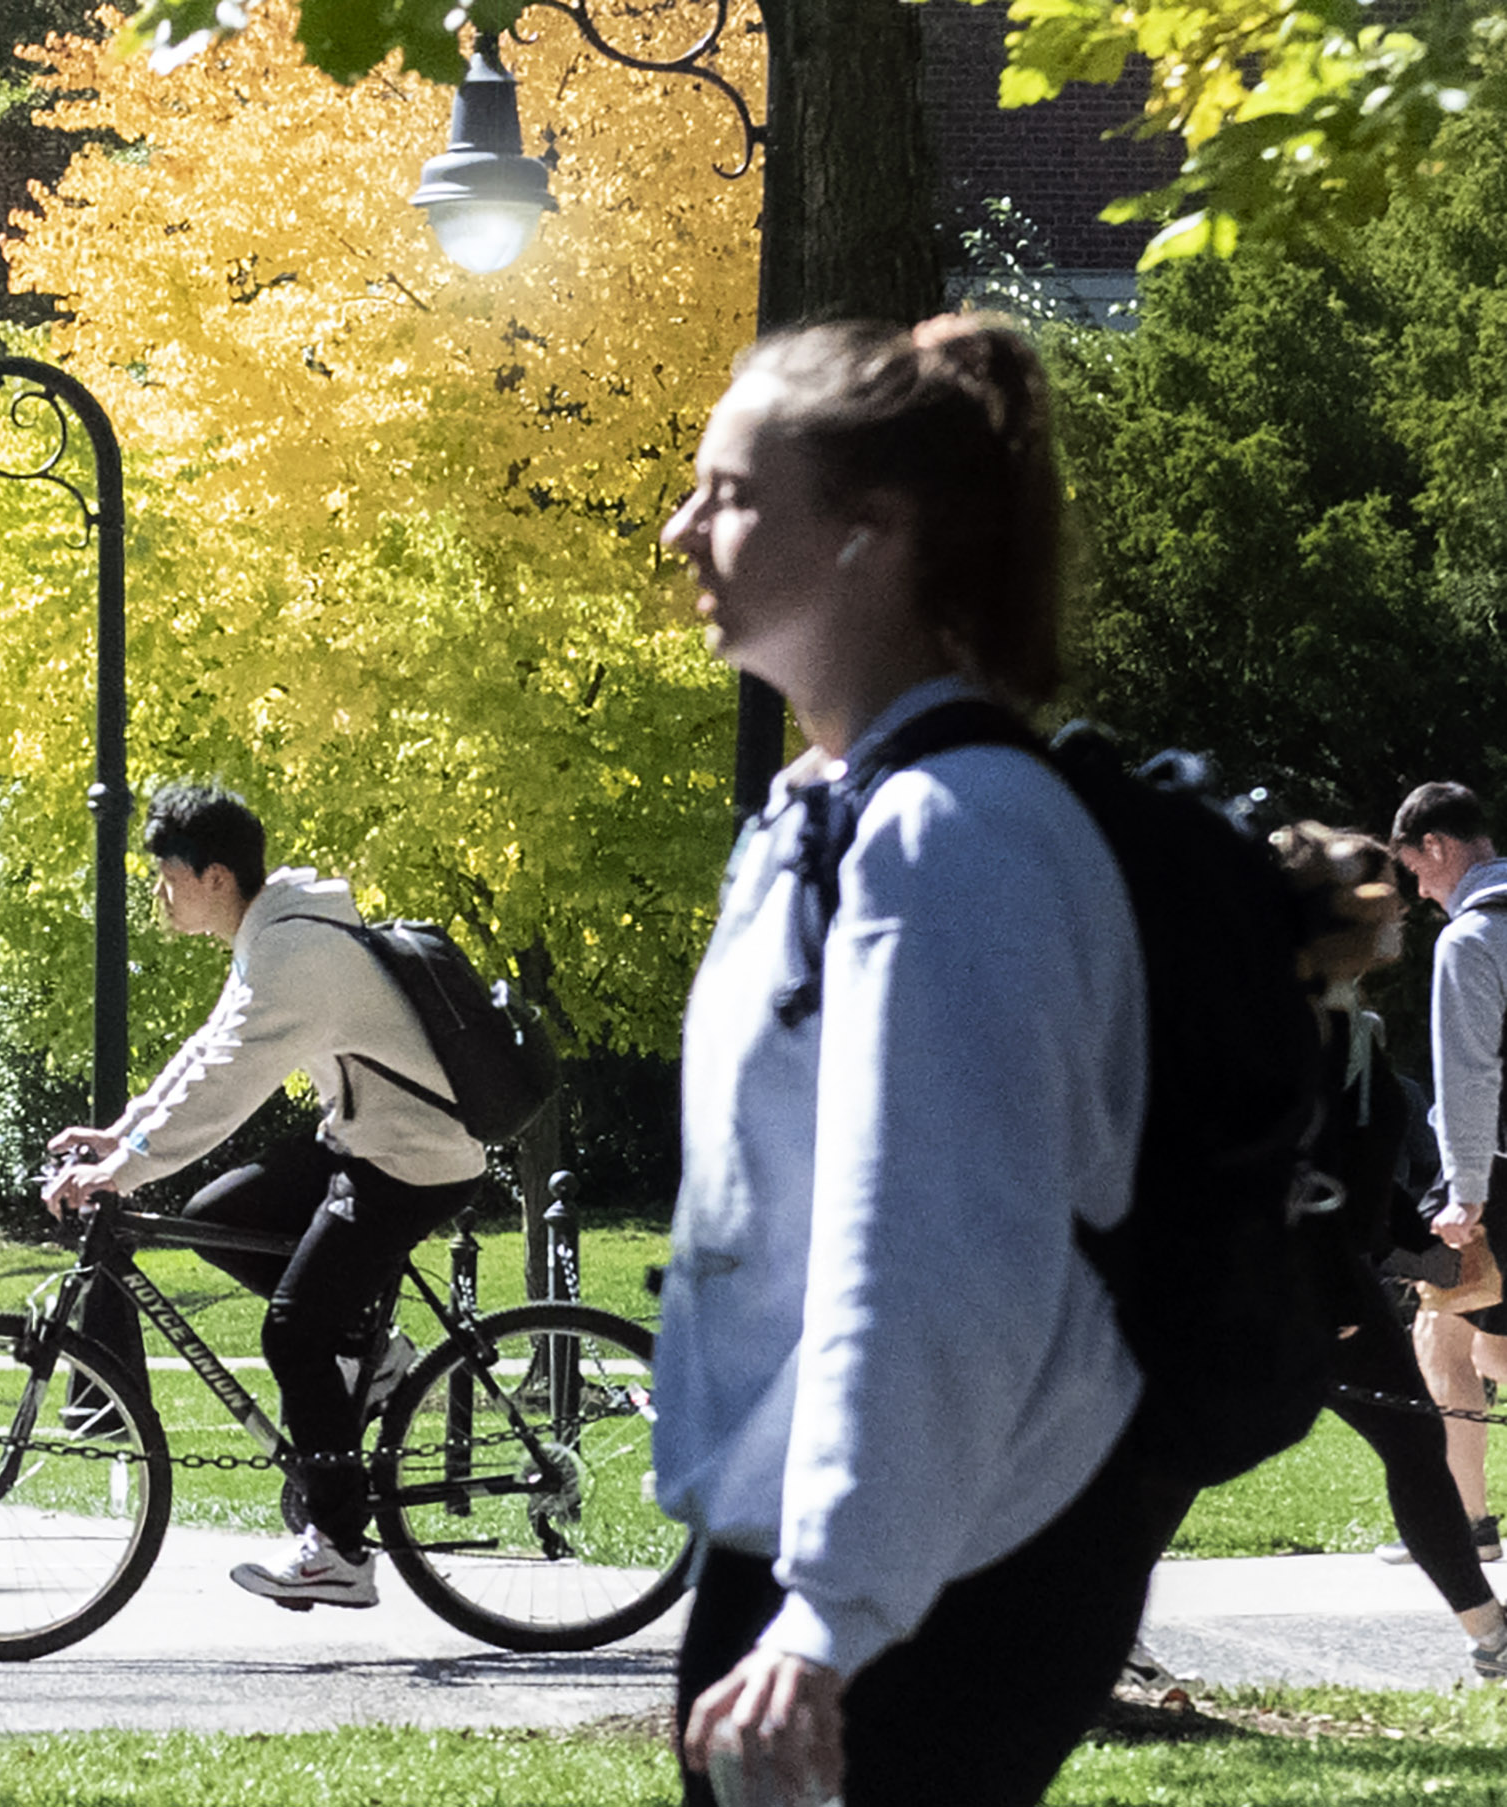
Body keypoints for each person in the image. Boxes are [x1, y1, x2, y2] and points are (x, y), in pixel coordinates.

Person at [652, 317, 1156, 1806]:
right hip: (849, 1555)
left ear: (872, 531)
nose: (686, 525)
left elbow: (933, 1248)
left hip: (932, 1570)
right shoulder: (828, 808)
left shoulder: (951, 834)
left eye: (733, 491)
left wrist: (833, 1611)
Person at [41, 782, 483, 1608]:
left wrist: (122, 1170)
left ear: (214, 877)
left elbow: (227, 1088)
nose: (158, 894)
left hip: (411, 1159)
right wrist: (121, 1135)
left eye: (166, 876)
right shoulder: (273, 934)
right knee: (214, 1219)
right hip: (364, 1136)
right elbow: (208, 1048)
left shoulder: (294, 955)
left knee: (292, 1334)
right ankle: (374, 1353)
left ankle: (340, 1551)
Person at [1267, 823, 1507, 1675]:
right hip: (1298, 1291)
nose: (1401, 908)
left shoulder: (1350, 1024)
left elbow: (1365, 1182)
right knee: (1170, 1457)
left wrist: (1431, 1238)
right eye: (1382, 894)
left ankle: (1490, 1636)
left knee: (1412, 1451)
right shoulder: (1281, 1030)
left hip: (1336, 1288)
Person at [1388, 782, 1507, 1563]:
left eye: (1416, 872)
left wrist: (1463, 1190)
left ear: (1436, 845)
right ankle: (1467, 1523)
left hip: (1498, 1170)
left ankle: (1466, 1527)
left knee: (1446, 1328)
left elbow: (1466, 1074)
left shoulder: (1470, 939)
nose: (1423, 893)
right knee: (1480, 1339)